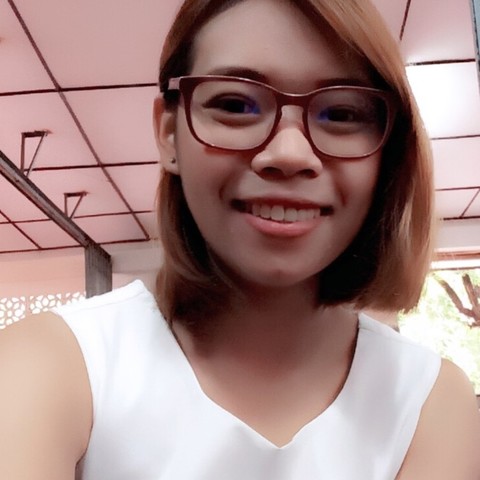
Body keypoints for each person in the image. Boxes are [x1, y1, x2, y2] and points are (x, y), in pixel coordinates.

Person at [1, 0, 479, 478]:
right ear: (169, 134)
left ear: (387, 154)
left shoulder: (429, 401)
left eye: (341, 112)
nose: (289, 154)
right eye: (235, 105)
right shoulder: (48, 363)